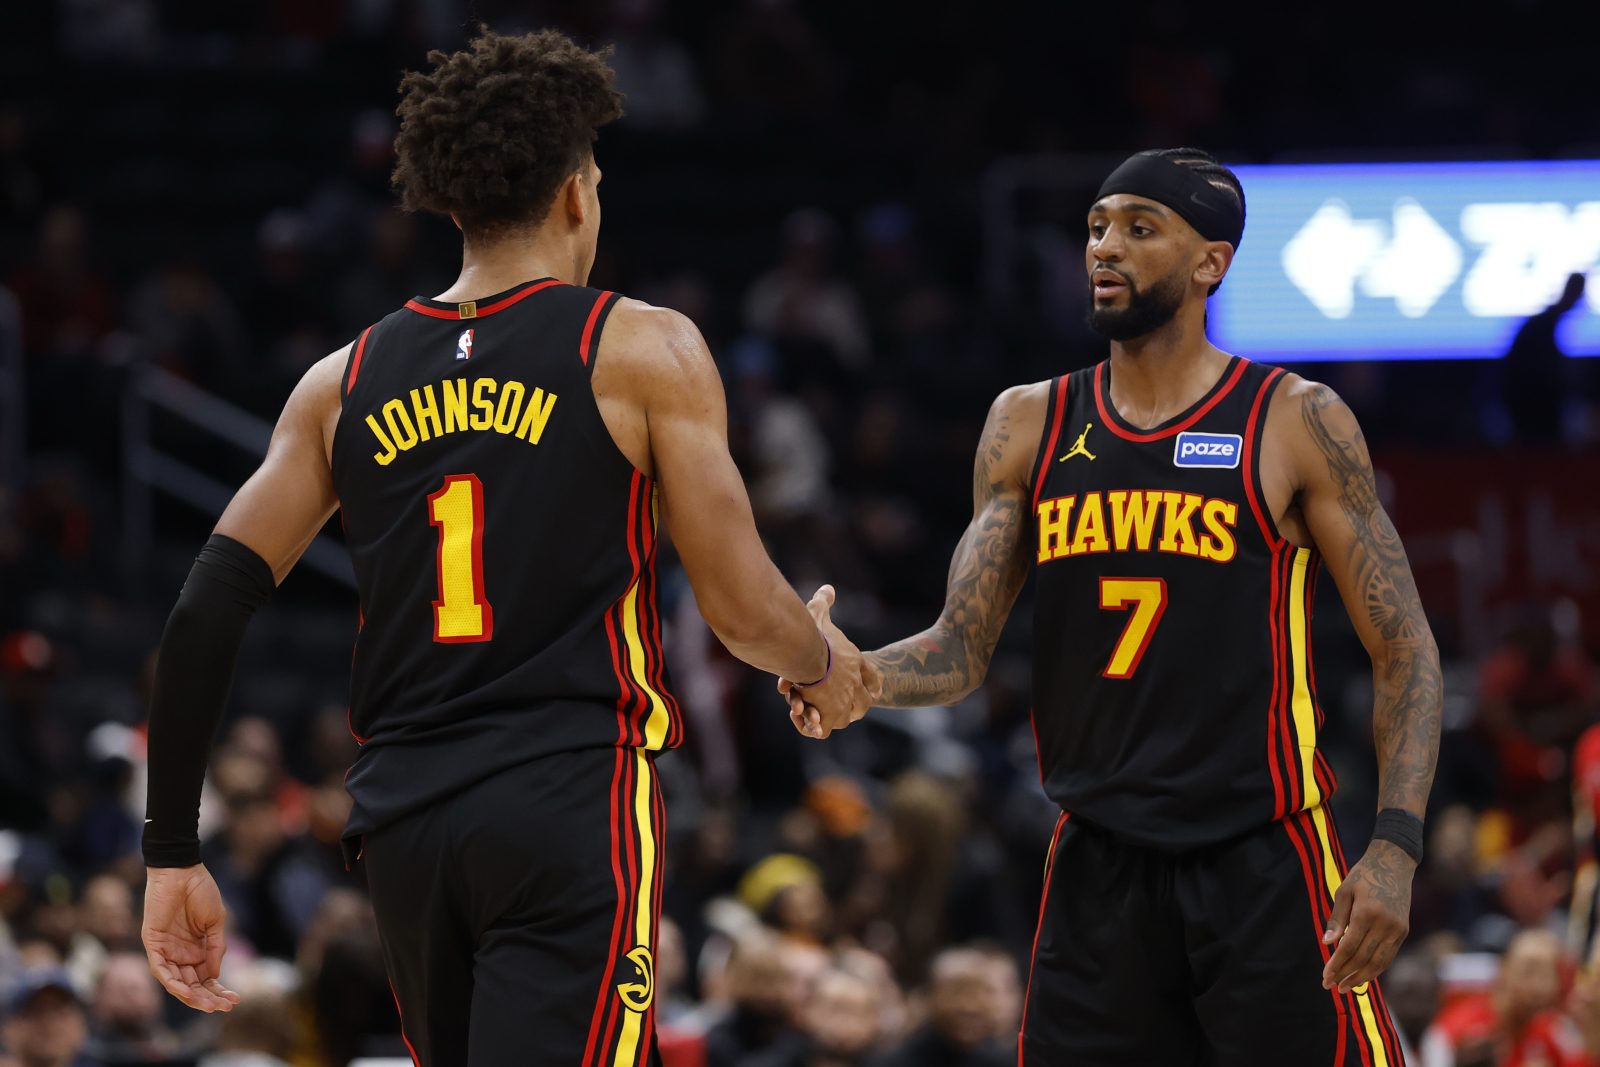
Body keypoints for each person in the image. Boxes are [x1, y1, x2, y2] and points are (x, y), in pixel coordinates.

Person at [136, 29, 875, 1067]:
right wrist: (825, 666)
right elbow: (746, 611)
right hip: (566, 802)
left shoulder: (337, 382)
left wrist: (171, 850)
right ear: (577, 191)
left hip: (406, 828)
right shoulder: (638, 346)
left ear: (449, 199)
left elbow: (203, 610)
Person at [789, 148, 1442, 1064]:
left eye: (1140, 228)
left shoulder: (1293, 416)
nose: (1105, 247)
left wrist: (1396, 846)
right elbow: (959, 646)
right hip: (1098, 860)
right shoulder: (1029, 422)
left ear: (1211, 261)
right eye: (1097, 226)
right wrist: (854, 677)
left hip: (1261, 853)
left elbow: (1404, 646)